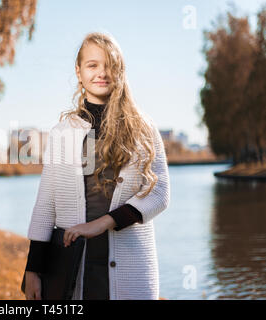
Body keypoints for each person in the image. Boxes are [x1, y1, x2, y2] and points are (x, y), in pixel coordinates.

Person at [24, 31, 170, 300]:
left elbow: (159, 195)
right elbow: (46, 204)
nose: (101, 73)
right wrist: (32, 270)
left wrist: (104, 223)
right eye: (92, 65)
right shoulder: (61, 133)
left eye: (109, 65)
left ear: (120, 71)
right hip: (72, 268)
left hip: (131, 267)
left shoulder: (143, 128)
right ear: (79, 72)